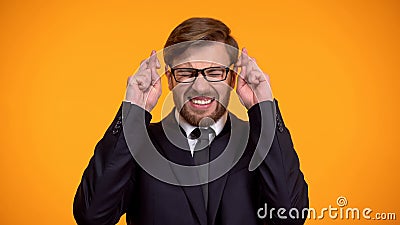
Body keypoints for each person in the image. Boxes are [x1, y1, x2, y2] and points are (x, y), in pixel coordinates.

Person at [73, 17, 309, 225]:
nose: (200, 87)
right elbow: (93, 217)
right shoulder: (140, 145)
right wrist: (134, 110)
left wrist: (264, 108)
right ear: (170, 79)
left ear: (233, 78)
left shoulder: (258, 142)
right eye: (186, 73)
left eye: (215, 72)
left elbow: (290, 217)